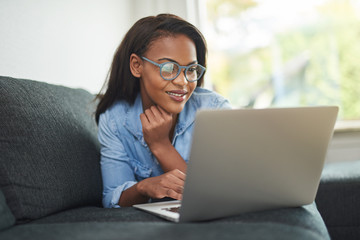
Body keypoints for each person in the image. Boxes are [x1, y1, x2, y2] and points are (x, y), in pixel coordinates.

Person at [95, 13, 231, 208]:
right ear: (137, 66)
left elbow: (215, 196)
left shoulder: (214, 110)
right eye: (169, 68)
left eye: (190, 69)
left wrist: (161, 145)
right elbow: (112, 199)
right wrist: (143, 187)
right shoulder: (114, 120)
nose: (183, 82)